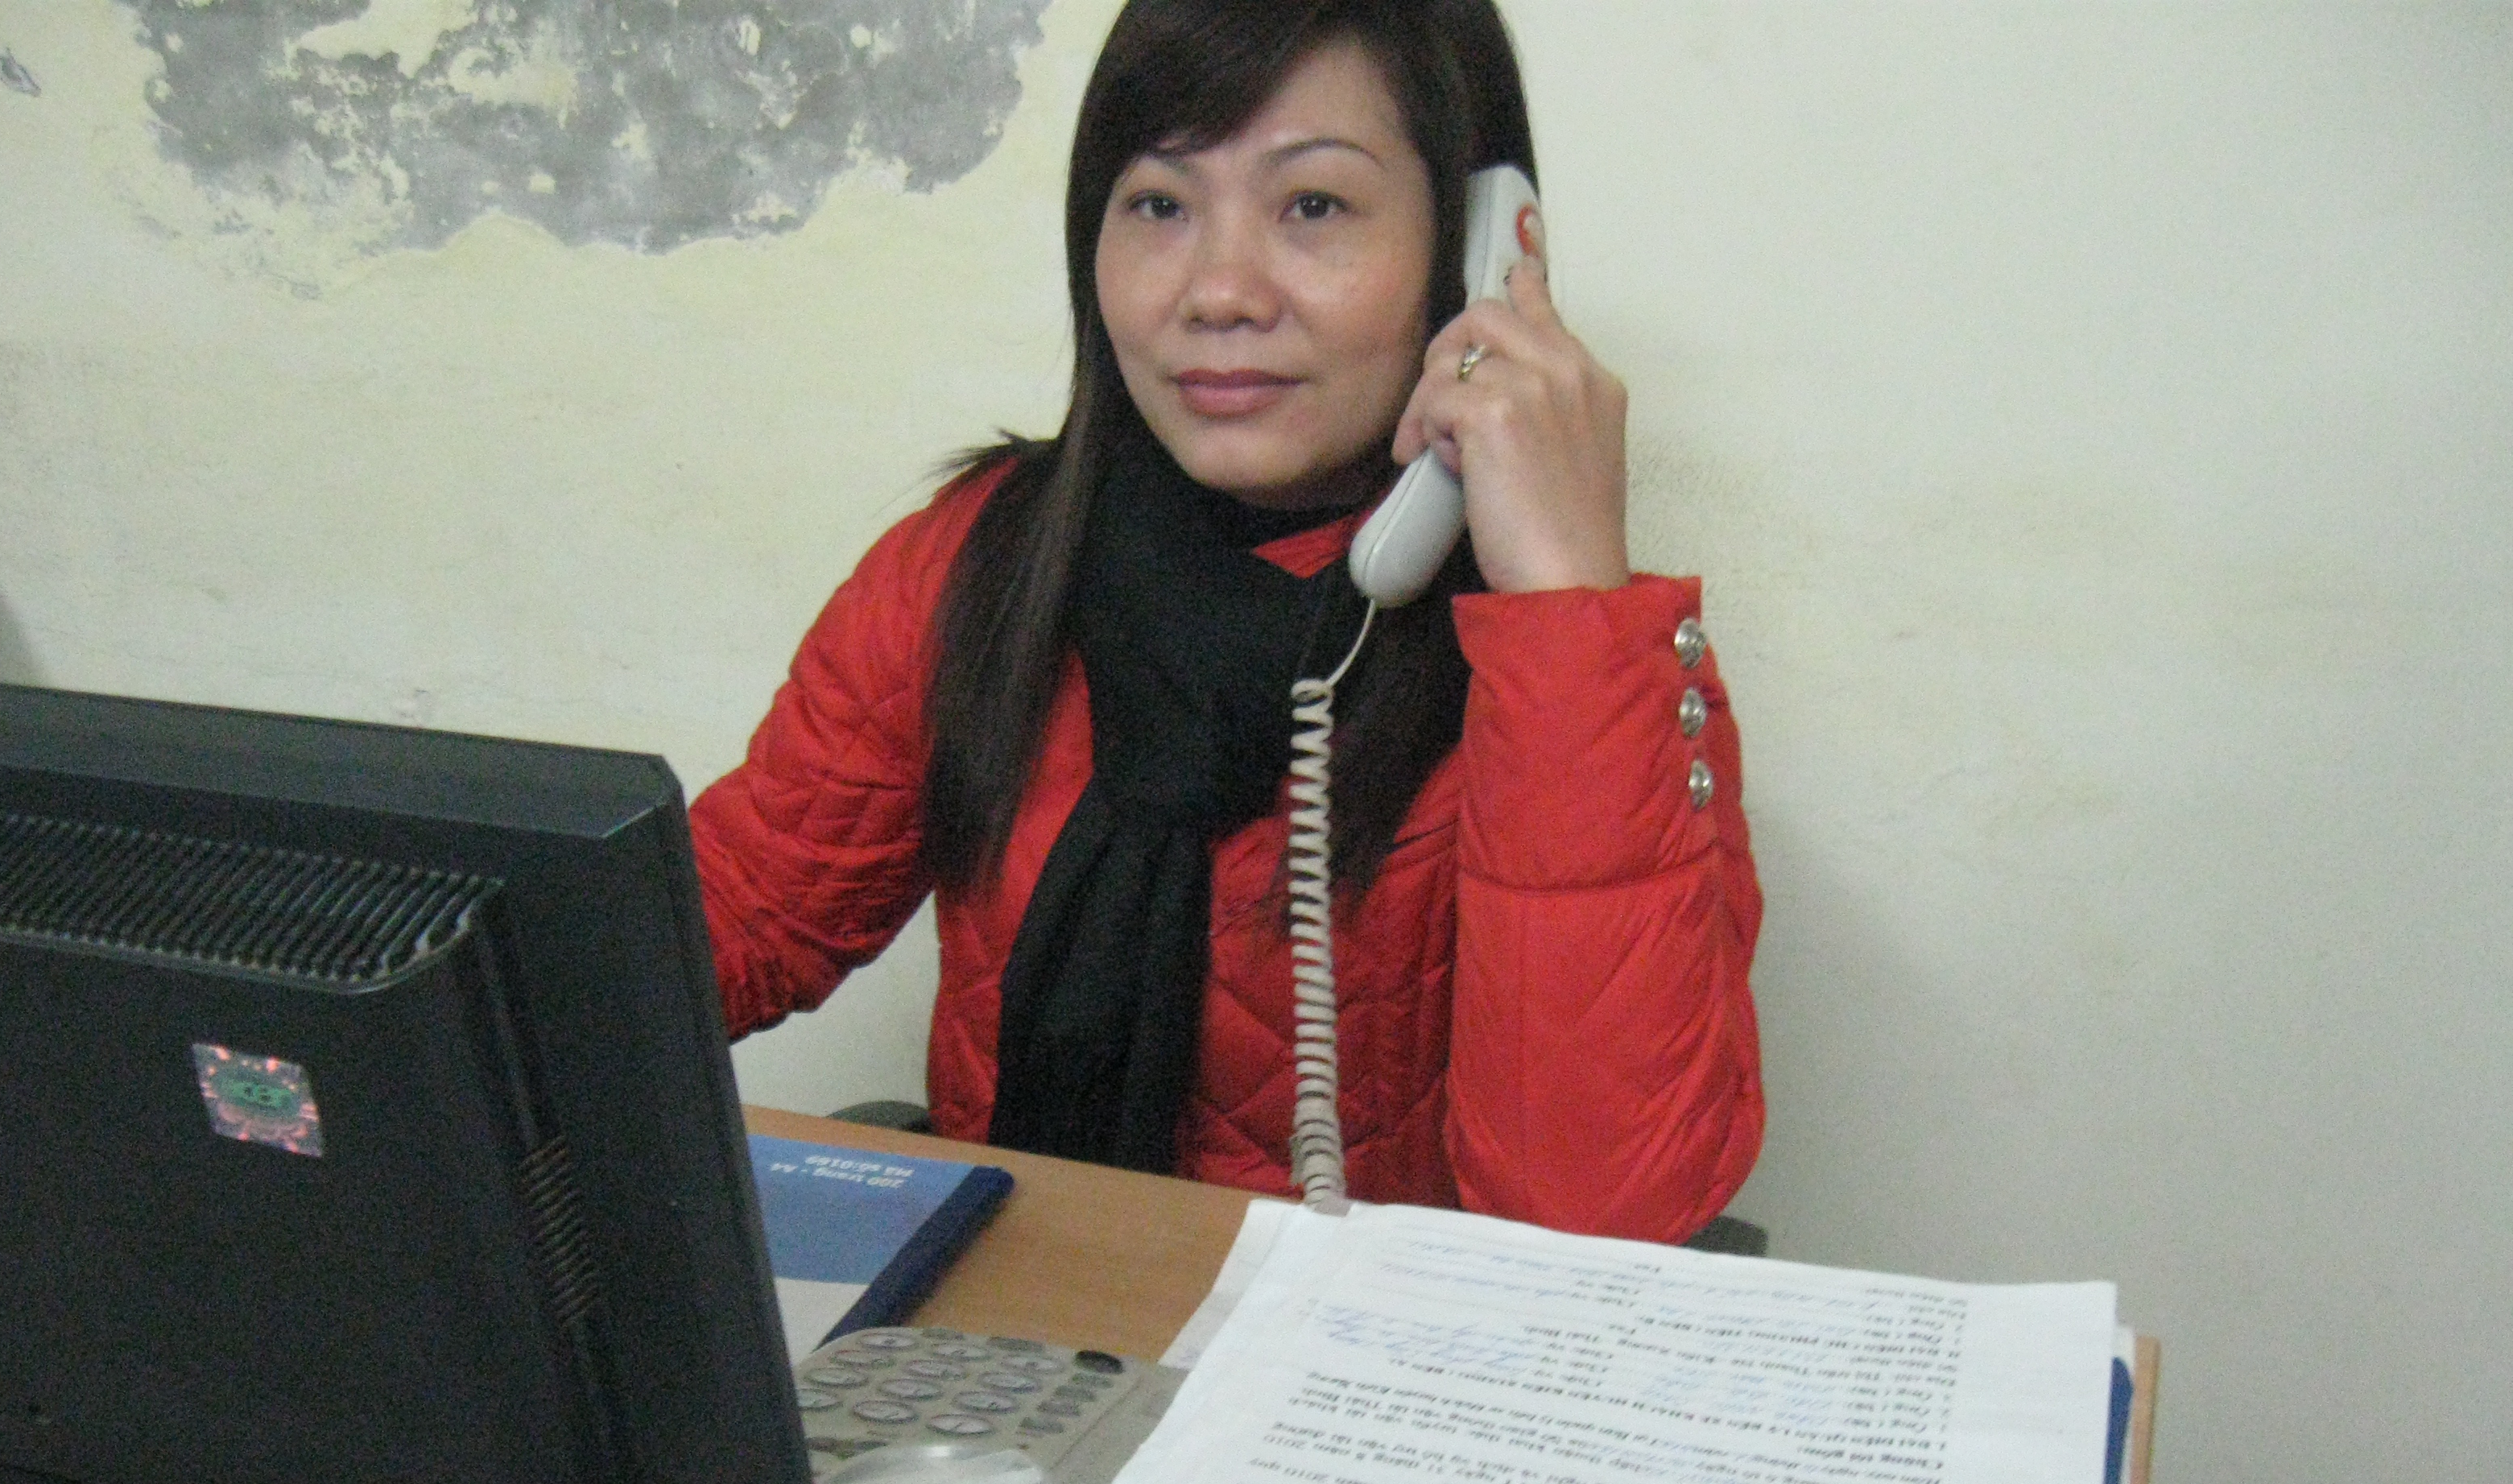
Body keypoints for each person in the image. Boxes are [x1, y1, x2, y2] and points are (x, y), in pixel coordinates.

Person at [692, 0, 1762, 1242]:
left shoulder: (1585, 669)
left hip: (1377, 1352)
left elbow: (1598, 1220)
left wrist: (1567, 607)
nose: (1218, 291)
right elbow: (733, 921)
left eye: (1313, 205)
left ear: (1475, 255)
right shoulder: (986, 561)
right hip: (1024, 1317)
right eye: (1159, 204)